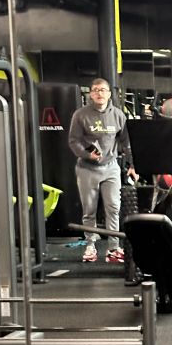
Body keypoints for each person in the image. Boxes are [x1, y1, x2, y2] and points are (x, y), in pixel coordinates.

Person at [68, 77, 137, 263]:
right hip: (87, 168)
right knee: (89, 210)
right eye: (96, 90)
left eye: (103, 90)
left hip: (110, 167)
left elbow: (126, 142)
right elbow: (73, 141)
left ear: (109, 94)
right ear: (91, 94)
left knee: (113, 207)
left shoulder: (118, 115)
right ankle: (90, 246)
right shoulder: (81, 115)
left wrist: (133, 165)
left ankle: (113, 248)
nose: (99, 93)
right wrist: (86, 154)